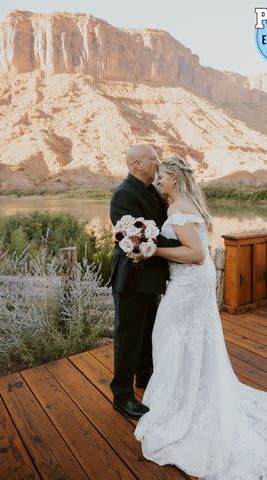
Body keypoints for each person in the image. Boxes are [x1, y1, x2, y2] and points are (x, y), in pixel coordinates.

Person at [134, 156, 267, 480]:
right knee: (189, 337)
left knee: (169, 334)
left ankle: (180, 403)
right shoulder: (183, 203)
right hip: (193, 282)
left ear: (175, 178)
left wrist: (154, 249)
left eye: (162, 177)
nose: (158, 181)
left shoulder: (177, 209)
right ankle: (186, 388)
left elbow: (197, 253)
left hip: (189, 282)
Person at [108, 143, 184, 420]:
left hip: (152, 276)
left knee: (148, 330)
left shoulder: (155, 190)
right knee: (128, 335)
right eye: (152, 159)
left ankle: (145, 376)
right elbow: (138, 239)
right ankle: (122, 395)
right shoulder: (123, 195)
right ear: (135, 164)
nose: (157, 162)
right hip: (131, 277)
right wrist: (182, 245)